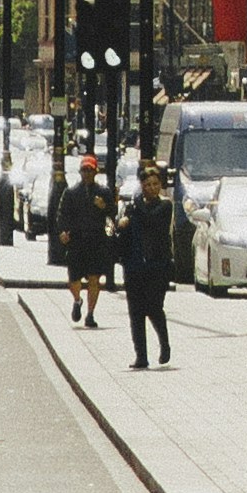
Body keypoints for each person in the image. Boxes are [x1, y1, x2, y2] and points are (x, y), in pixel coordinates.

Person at [117, 160, 181, 370]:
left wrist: (136, 205)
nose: (152, 188)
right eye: (147, 185)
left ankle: (164, 344)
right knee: (136, 312)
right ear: (141, 185)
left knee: (154, 307)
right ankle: (141, 356)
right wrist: (122, 223)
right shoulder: (133, 207)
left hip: (157, 266)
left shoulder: (165, 205)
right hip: (134, 266)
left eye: (155, 184)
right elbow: (121, 227)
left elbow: (151, 219)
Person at [60, 153, 114, 331]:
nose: (87, 173)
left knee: (94, 278)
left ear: (96, 172)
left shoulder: (103, 192)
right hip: (77, 240)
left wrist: (104, 207)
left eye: (90, 170)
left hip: (96, 241)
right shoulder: (71, 192)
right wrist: (63, 232)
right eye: (84, 170)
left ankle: (90, 314)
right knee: (73, 279)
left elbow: (112, 214)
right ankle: (77, 300)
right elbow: (62, 215)